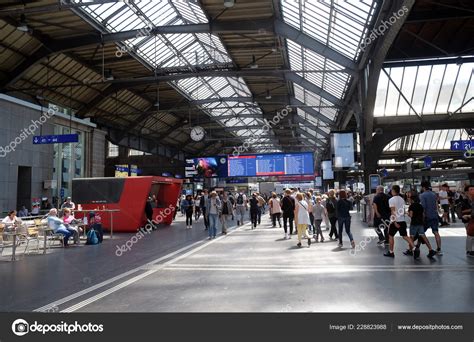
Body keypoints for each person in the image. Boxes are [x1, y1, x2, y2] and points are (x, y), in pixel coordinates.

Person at [384, 185, 415, 258]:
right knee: (405, 236)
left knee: (391, 236)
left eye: (392, 190)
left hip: (395, 221)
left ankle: (391, 252)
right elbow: (403, 211)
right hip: (402, 220)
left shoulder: (391, 200)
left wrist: (394, 222)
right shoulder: (402, 199)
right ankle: (414, 248)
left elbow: (393, 211)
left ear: (394, 191)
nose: (391, 191)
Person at [408, 194, 437, 260]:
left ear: (412, 199)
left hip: (414, 223)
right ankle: (430, 249)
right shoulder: (421, 206)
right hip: (420, 223)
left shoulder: (411, 206)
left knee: (411, 237)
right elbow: (423, 215)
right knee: (423, 236)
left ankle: (412, 250)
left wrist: (408, 213)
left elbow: (411, 215)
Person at [420, 181, 443, 255]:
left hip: (427, 216)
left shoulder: (422, 195)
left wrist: (422, 217)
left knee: (421, 232)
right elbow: (436, 204)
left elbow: (423, 207)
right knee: (436, 232)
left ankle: (417, 247)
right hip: (434, 215)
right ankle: (439, 248)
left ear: (423, 187)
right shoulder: (434, 194)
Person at [461, 185, 474, 257]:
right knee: (470, 235)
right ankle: (469, 250)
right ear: (467, 192)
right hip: (467, 219)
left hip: (472, 219)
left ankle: (471, 249)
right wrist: (471, 211)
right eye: (471, 189)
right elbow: (462, 211)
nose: (473, 191)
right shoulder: (464, 200)